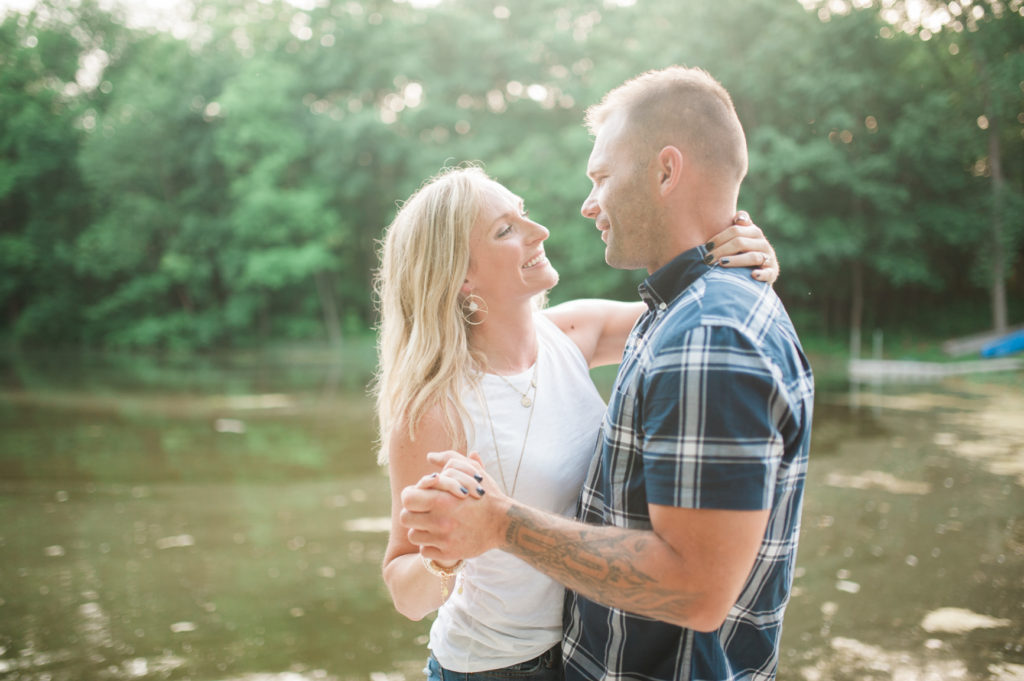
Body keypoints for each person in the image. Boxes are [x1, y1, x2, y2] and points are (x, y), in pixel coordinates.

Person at [400, 66, 814, 681]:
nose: (563, 218)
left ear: (666, 171)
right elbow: (404, 578)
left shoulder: (626, 332)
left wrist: (749, 253)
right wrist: (450, 550)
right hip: (492, 665)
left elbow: (711, 314)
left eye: (601, 177)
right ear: (460, 276)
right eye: (507, 228)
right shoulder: (438, 401)